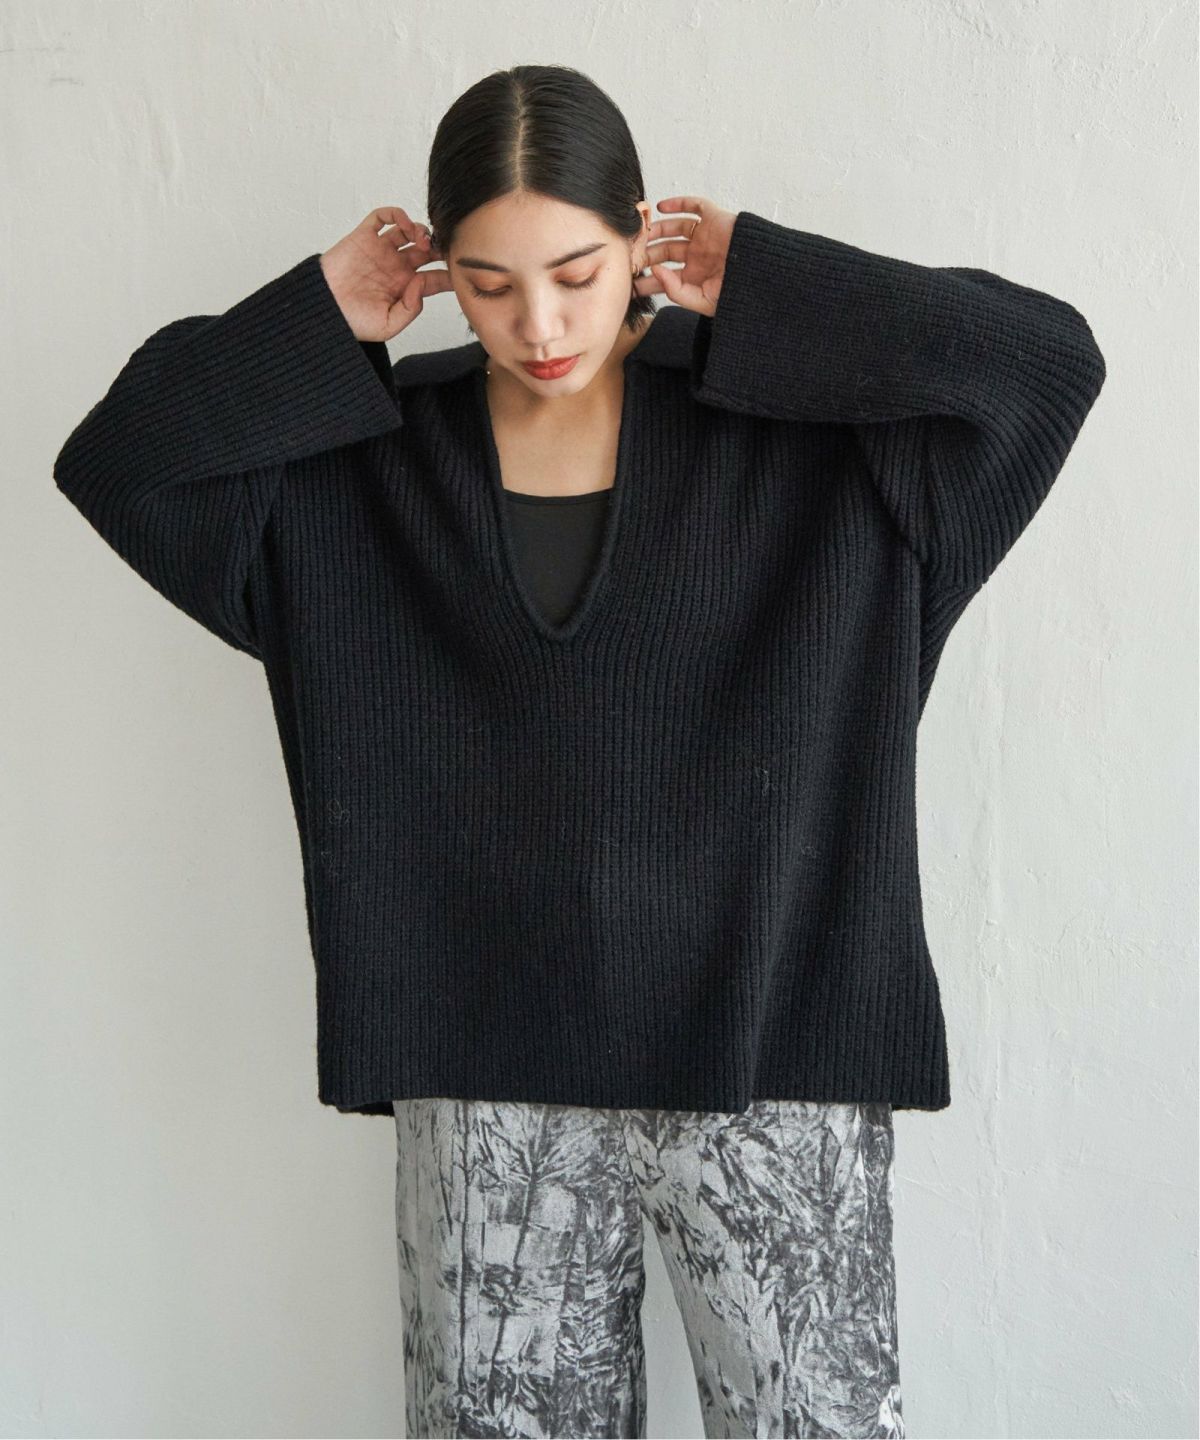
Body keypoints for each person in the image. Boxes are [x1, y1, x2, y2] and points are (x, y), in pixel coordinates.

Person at [53, 62, 1105, 1440]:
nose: (538, 323)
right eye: (489, 284)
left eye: (576, 271)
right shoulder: (355, 472)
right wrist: (314, 318)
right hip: (485, 1076)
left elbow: (1046, 368)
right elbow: (117, 462)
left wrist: (774, 288)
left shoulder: (830, 457)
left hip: (780, 1057)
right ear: (440, 268)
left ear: (640, 238)